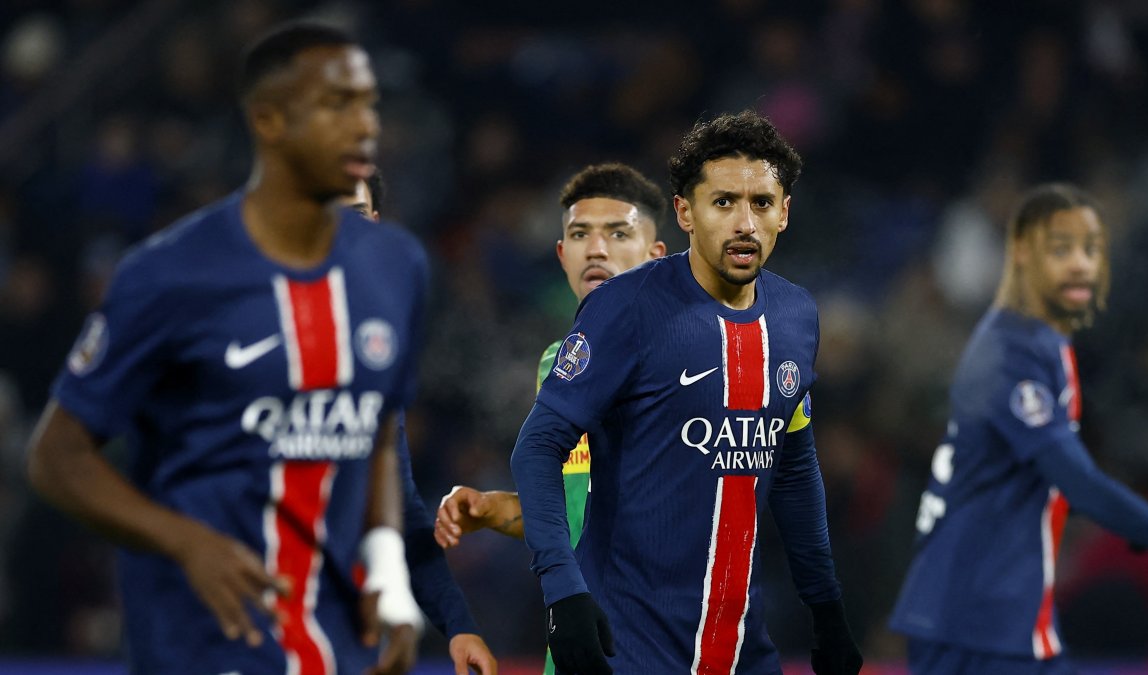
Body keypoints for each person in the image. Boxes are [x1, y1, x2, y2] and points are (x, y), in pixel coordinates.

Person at [26, 22, 494, 675]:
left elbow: (382, 455)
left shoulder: (396, 276)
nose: (361, 124)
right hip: (205, 636)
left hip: (338, 646)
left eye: (366, 104)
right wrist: (185, 541)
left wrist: (391, 580)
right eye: (336, 104)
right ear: (269, 122)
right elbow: (55, 456)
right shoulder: (172, 274)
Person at [509, 110, 863, 675]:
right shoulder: (625, 308)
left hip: (743, 651)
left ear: (785, 214)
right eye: (723, 202)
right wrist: (563, 592)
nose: (745, 223)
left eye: (762, 203)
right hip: (630, 649)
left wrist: (826, 606)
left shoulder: (797, 317)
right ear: (685, 212)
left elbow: (794, 467)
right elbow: (538, 446)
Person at [889, 183, 1148, 675]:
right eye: (1061, 249)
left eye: (1090, 250)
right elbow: (1079, 482)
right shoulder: (1009, 352)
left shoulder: (1047, 345)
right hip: (970, 616)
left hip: (1002, 608)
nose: (1080, 265)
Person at [431, 162, 668, 673]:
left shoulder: (695, 359)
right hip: (579, 646)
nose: (596, 248)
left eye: (618, 233)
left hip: (666, 647)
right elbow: (578, 513)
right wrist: (495, 511)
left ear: (656, 256)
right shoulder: (560, 364)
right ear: (562, 255)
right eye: (579, 234)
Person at [337, 175, 498, 675]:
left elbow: (399, 508)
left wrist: (458, 623)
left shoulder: (377, 344)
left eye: (357, 215)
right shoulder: (245, 330)